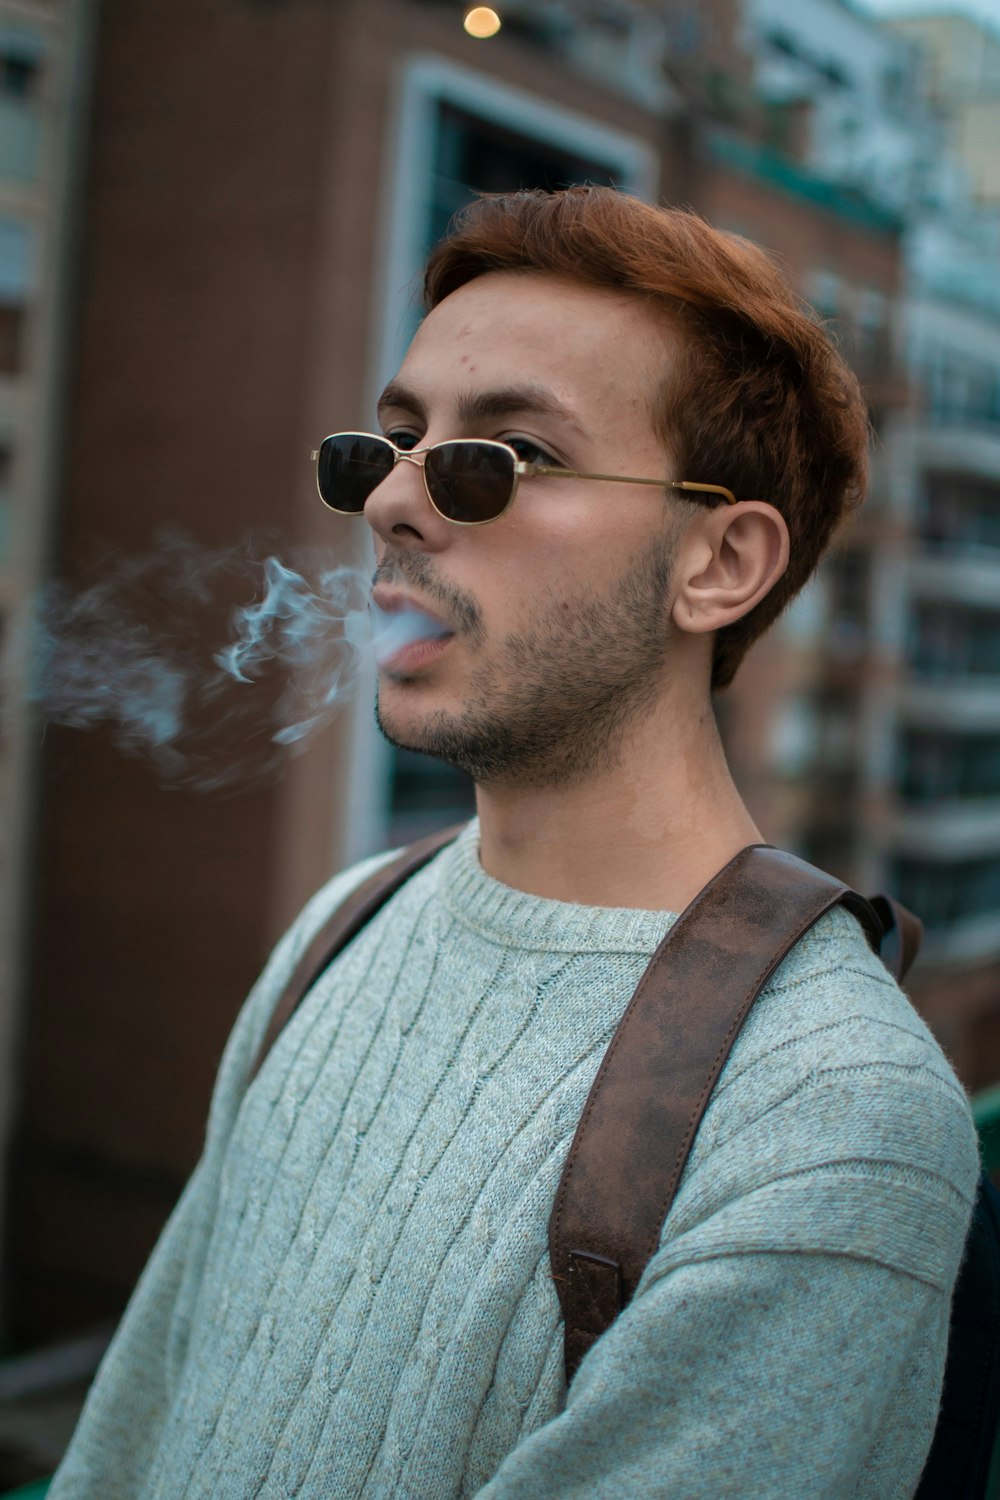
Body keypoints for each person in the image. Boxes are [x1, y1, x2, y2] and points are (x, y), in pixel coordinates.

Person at [51, 187, 978, 1498]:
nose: (391, 507)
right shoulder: (343, 926)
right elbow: (129, 1432)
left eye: (510, 457)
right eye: (387, 446)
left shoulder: (828, 1116)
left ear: (718, 564)